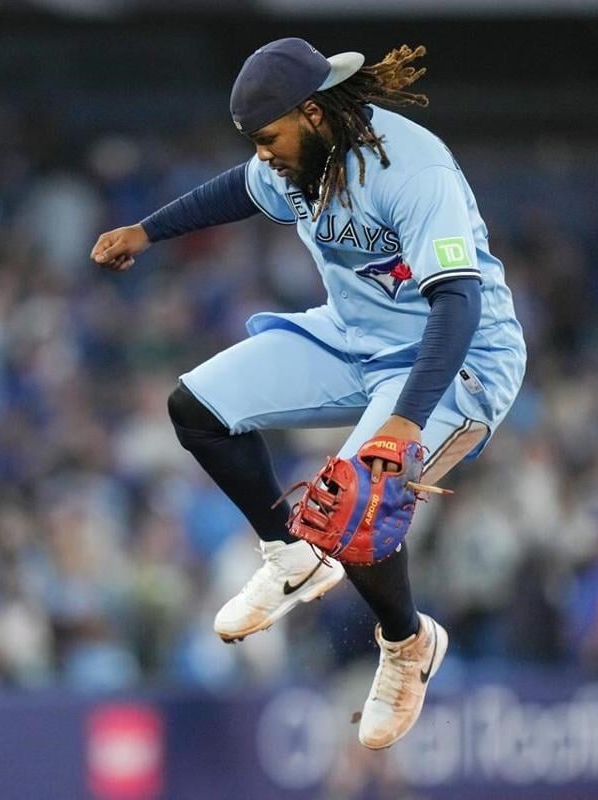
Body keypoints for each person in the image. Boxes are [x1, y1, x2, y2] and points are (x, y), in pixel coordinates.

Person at [91, 38, 526, 749]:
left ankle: (408, 642)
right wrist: (149, 230)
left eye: (270, 138)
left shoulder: (413, 169)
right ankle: (291, 557)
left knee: (357, 503)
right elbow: (238, 188)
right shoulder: (297, 161)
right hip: (354, 335)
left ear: (316, 113)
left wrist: (406, 425)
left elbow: (458, 304)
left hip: (456, 359)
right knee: (195, 410)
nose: (263, 155)